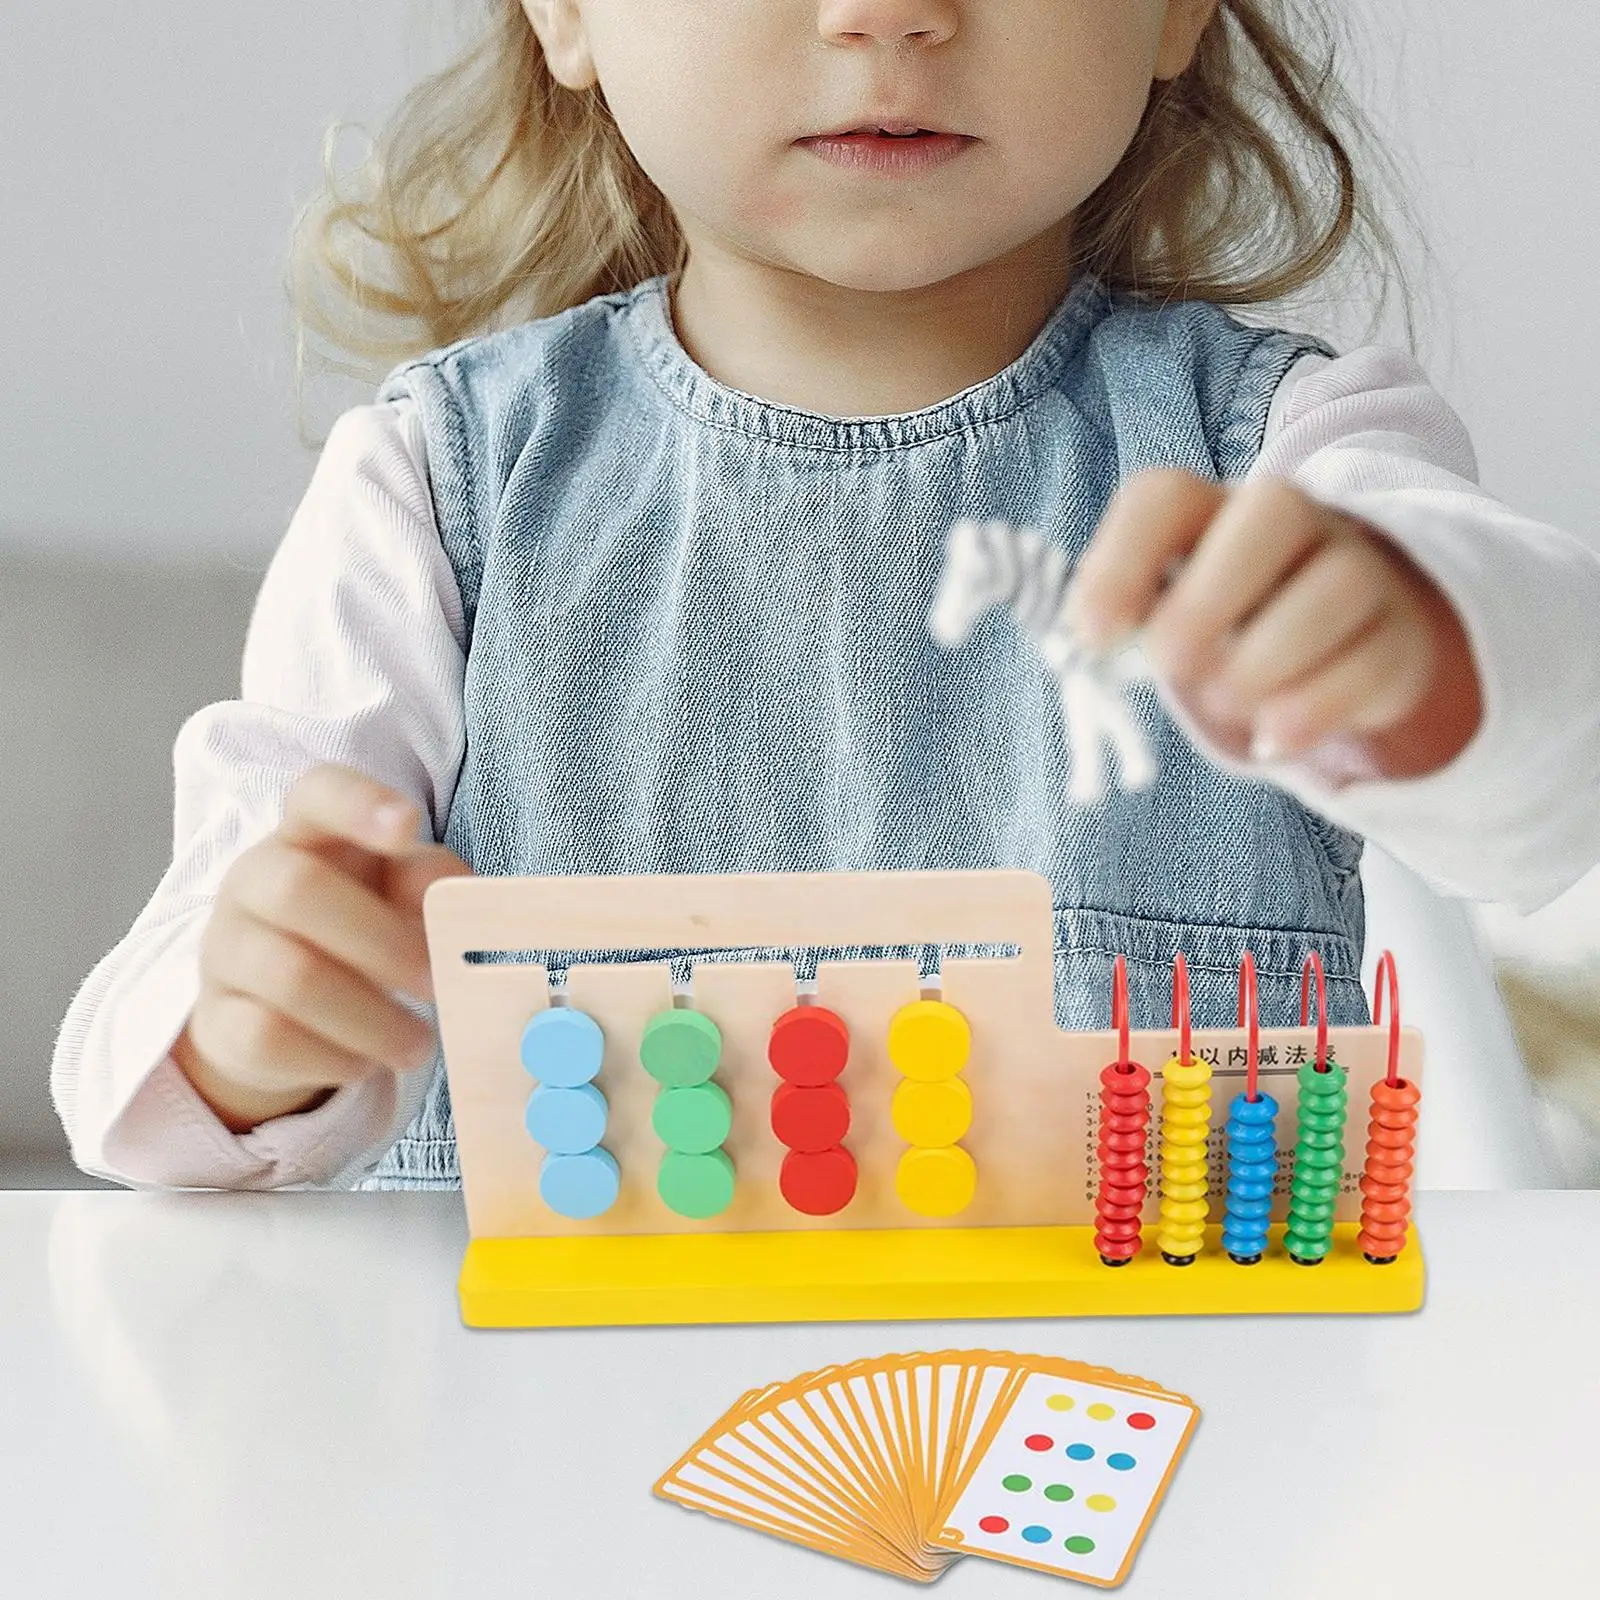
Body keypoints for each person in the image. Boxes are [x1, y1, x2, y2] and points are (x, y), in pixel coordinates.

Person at [51, 1, 1600, 1191]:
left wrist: (1420, 651)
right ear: (567, 11)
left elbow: (1557, 768)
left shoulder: (1292, 463)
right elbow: (181, 1043)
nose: (888, 12)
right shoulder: (436, 487)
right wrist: (247, 1038)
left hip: (1184, 1475)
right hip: (541, 1474)